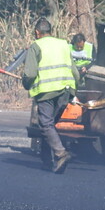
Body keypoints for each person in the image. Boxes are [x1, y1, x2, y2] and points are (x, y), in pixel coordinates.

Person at [18, 19, 77, 173]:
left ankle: (60, 153)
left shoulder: (36, 46)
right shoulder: (64, 44)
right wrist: (75, 89)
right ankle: (47, 161)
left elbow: (30, 73)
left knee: (45, 124)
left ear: (37, 32)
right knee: (50, 126)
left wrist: (26, 84)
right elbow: (75, 72)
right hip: (65, 91)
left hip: (47, 91)